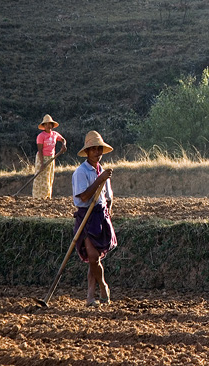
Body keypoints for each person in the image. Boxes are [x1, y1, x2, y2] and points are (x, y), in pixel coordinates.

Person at [72, 130, 117, 307]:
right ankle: (104, 286)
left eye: (99, 149)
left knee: (95, 258)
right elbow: (83, 197)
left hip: (100, 215)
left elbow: (108, 196)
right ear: (87, 152)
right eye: (94, 150)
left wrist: (109, 209)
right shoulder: (80, 172)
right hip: (86, 216)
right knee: (92, 256)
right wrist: (100, 179)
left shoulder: (102, 172)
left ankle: (91, 297)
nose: (97, 153)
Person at [33, 115, 67, 198]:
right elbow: (40, 150)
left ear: (52, 125)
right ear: (44, 126)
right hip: (42, 158)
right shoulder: (41, 136)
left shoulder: (54, 134)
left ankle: (47, 196)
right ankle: (38, 196)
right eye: (46, 124)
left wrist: (64, 145)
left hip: (51, 158)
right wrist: (42, 163)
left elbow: (63, 139)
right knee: (41, 177)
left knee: (49, 177)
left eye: (50, 124)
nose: (48, 126)